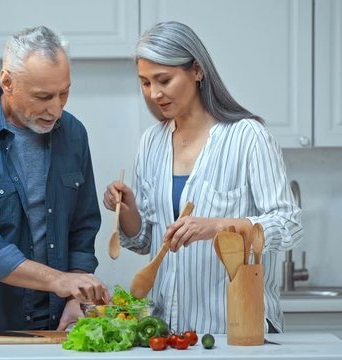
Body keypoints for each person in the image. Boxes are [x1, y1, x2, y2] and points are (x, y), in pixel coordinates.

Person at [102, 21, 302, 334]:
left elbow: (288, 224)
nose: (154, 94)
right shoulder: (151, 142)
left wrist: (217, 227)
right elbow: (146, 242)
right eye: (144, 83)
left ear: (197, 70)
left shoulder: (248, 137)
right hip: (170, 333)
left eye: (164, 80)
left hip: (235, 330)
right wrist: (127, 212)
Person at [0, 25, 110, 332]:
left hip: (53, 321)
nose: (56, 109)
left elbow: (83, 228)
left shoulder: (74, 134)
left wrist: (76, 296)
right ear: (7, 82)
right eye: (43, 96)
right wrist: (59, 280)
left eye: (64, 93)